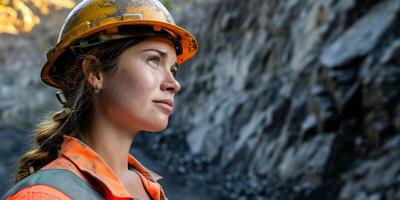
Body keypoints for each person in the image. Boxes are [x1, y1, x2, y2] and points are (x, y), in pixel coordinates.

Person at [1, 0, 197, 199]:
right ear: (95, 73)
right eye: (154, 60)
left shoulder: (148, 188)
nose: (174, 83)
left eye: (173, 69)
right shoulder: (43, 196)